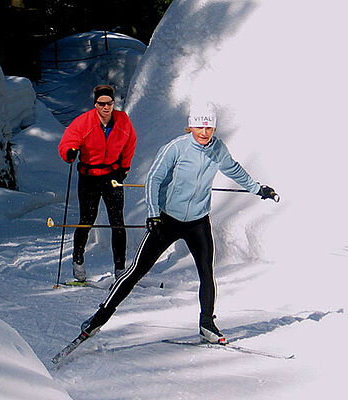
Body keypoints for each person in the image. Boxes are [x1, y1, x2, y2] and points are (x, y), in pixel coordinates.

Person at [78, 103, 278, 344]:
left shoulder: (217, 149)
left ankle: (207, 324)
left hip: (198, 222)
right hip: (167, 220)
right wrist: (153, 213)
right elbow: (154, 179)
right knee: (136, 271)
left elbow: (233, 169)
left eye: (209, 127)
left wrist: (258, 189)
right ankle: (99, 318)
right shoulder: (176, 148)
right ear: (190, 126)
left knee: (206, 272)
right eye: (199, 126)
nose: (204, 132)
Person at [58, 85, 137, 282]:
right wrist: (69, 152)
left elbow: (130, 142)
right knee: (87, 219)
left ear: (113, 104)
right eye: (101, 104)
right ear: (95, 104)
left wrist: (125, 168)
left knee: (117, 222)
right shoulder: (84, 122)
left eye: (109, 103)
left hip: (112, 175)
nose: (105, 107)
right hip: (89, 176)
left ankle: (120, 269)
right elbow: (68, 141)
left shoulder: (122, 120)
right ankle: (78, 262)